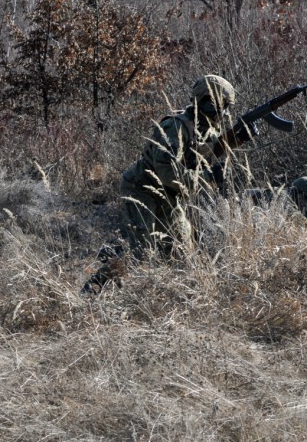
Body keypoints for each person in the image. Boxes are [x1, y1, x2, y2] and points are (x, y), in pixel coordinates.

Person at [82, 74, 258, 294]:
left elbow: (207, 152)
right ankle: (94, 286)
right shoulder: (174, 127)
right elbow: (166, 170)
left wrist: (237, 139)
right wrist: (207, 177)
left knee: (181, 248)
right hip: (142, 189)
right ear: (206, 102)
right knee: (141, 251)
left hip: (170, 195)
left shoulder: (205, 129)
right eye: (219, 106)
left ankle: (170, 295)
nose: (223, 113)